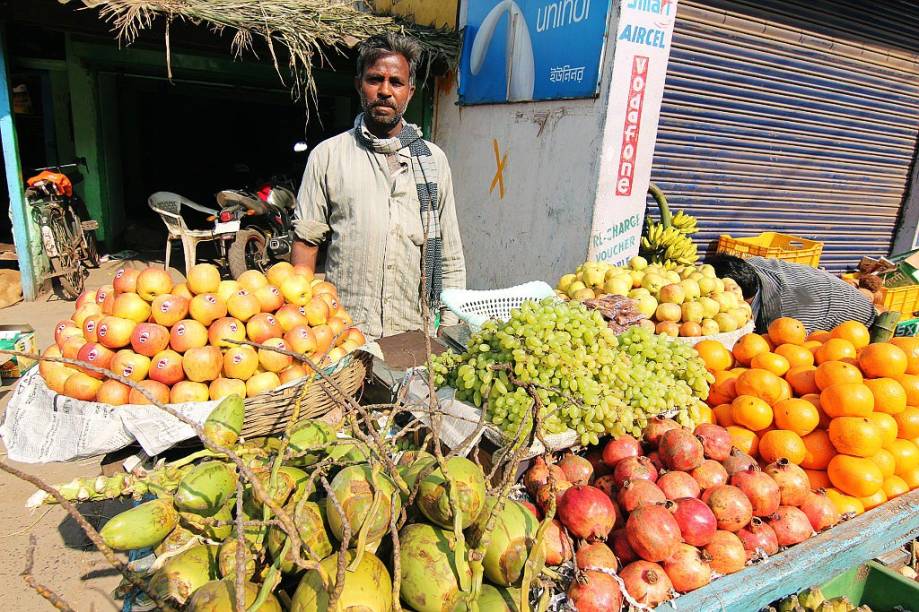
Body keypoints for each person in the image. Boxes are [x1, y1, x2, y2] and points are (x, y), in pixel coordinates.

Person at [291, 33, 466, 339]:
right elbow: (306, 242)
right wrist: (302, 322)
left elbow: (449, 252)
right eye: (375, 79)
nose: (385, 91)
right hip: (344, 330)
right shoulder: (328, 156)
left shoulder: (433, 161)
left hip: (412, 332)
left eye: (396, 82)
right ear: (360, 84)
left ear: (410, 92)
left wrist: (450, 327)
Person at [707, 254, 875, 334]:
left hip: (863, 323)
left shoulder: (786, 315)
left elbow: (793, 351)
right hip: (818, 289)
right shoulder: (747, 267)